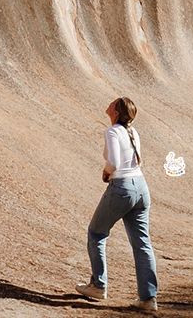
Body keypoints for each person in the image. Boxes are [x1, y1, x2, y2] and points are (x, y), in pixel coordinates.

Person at [76, 97, 159, 312]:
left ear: (116, 111)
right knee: (142, 243)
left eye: (113, 103)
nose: (109, 103)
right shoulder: (133, 131)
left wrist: (106, 172)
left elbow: (114, 162)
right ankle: (149, 299)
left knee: (96, 233)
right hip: (141, 186)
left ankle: (98, 285)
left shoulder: (112, 131)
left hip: (122, 187)